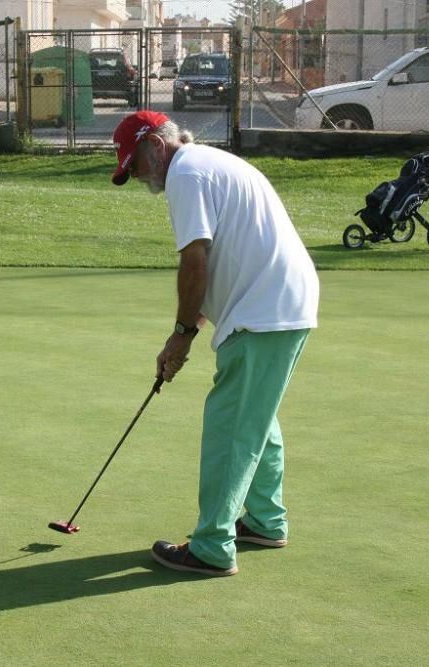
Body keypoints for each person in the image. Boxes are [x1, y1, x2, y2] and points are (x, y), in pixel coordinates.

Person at [111, 111, 319, 577]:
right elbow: (231, 254)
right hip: (281, 303)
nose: (142, 178)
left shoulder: (185, 173)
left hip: (264, 309)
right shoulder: (209, 164)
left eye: (137, 165)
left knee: (231, 428)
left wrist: (182, 334)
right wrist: (193, 326)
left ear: (156, 147)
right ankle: (266, 520)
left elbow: (195, 261)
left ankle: (211, 546)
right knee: (257, 421)